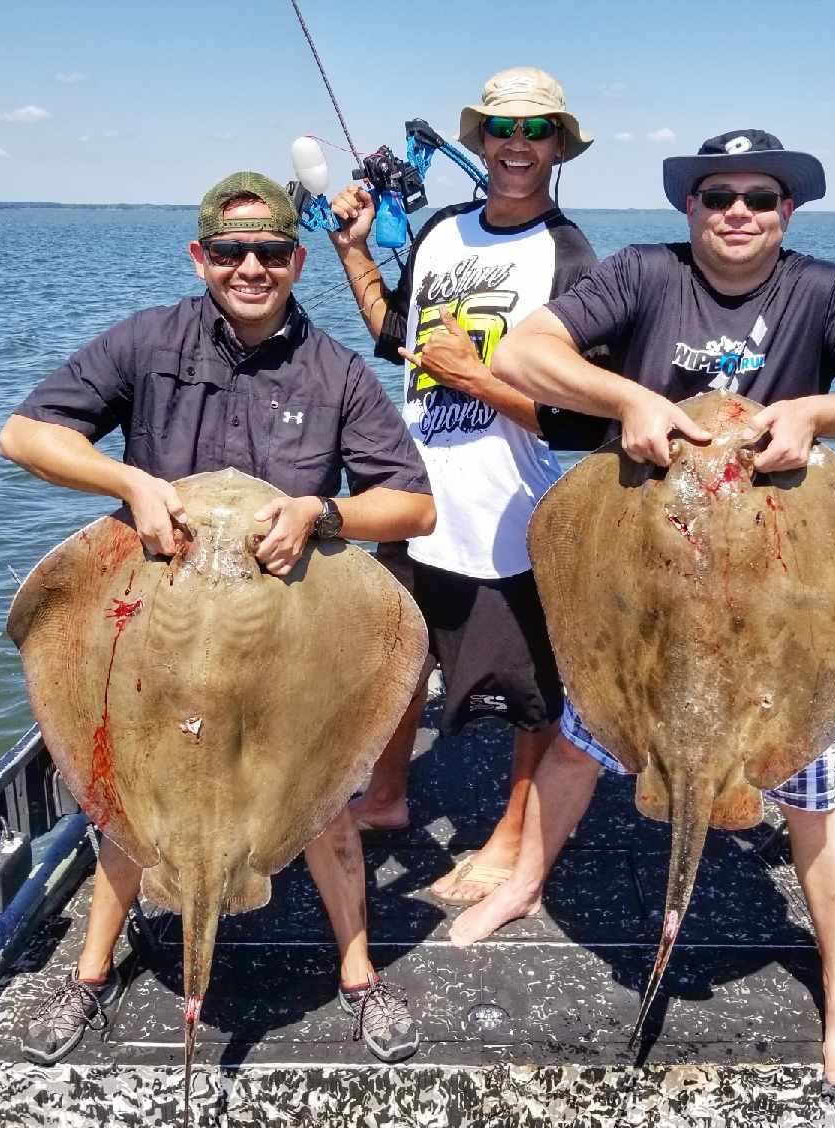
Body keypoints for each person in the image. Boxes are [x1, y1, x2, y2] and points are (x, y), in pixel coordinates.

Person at [450, 129, 835, 1089]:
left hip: (775, 595)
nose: (737, 212)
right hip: (644, 579)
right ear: (690, 206)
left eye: (758, 198)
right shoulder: (645, 274)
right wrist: (628, 401)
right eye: (717, 195)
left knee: (811, 792)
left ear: (786, 212)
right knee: (582, 739)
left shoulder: (822, 291)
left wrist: (814, 413)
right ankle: (523, 882)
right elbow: (522, 352)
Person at [0, 170, 435, 1067]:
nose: (250, 268)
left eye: (270, 251)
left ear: (296, 261)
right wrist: (128, 481)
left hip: (286, 639)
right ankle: (88, 974)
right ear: (200, 257)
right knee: (125, 799)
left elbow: (414, 506)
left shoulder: (334, 371)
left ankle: (359, 975)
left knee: (323, 801)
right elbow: (24, 435)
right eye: (231, 252)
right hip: (155, 632)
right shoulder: (147, 343)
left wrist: (322, 512)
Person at [327, 67, 601, 905]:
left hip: (506, 515)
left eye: (536, 130)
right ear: (480, 140)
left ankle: (513, 835)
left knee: (527, 689)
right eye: (501, 129)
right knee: (395, 660)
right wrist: (352, 250)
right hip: (412, 496)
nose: (516, 145)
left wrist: (476, 379)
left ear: (558, 147)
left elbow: (583, 421)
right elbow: (394, 334)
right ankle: (386, 793)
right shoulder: (442, 230)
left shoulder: (570, 256)